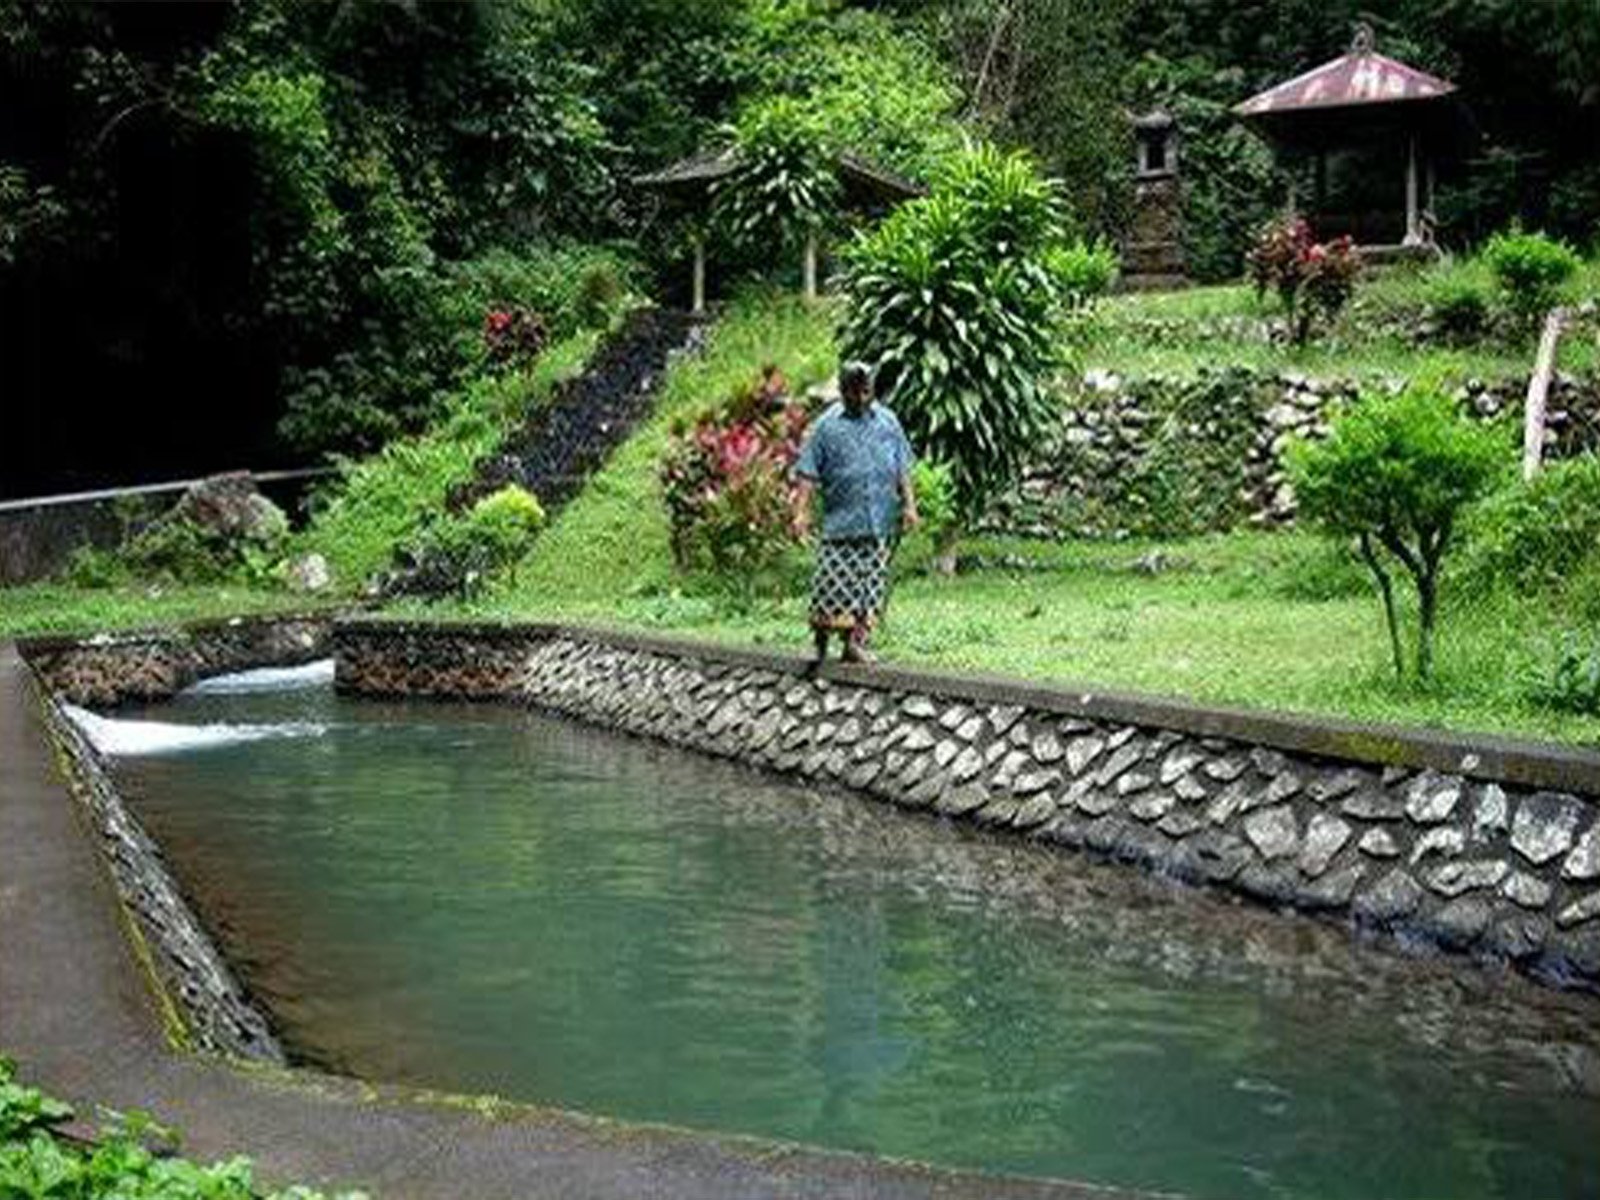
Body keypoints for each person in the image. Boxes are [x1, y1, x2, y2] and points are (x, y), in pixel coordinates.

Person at [793, 361, 918, 665]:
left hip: (879, 520)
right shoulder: (826, 426)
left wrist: (910, 506)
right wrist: (801, 513)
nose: (861, 399)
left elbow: (902, 467)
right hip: (841, 523)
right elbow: (808, 472)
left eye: (866, 392)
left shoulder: (888, 422)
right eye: (854, 393)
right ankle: (819, 642)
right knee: (830, 584)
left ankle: (854, 644)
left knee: (869, 587)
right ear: (842, 391)